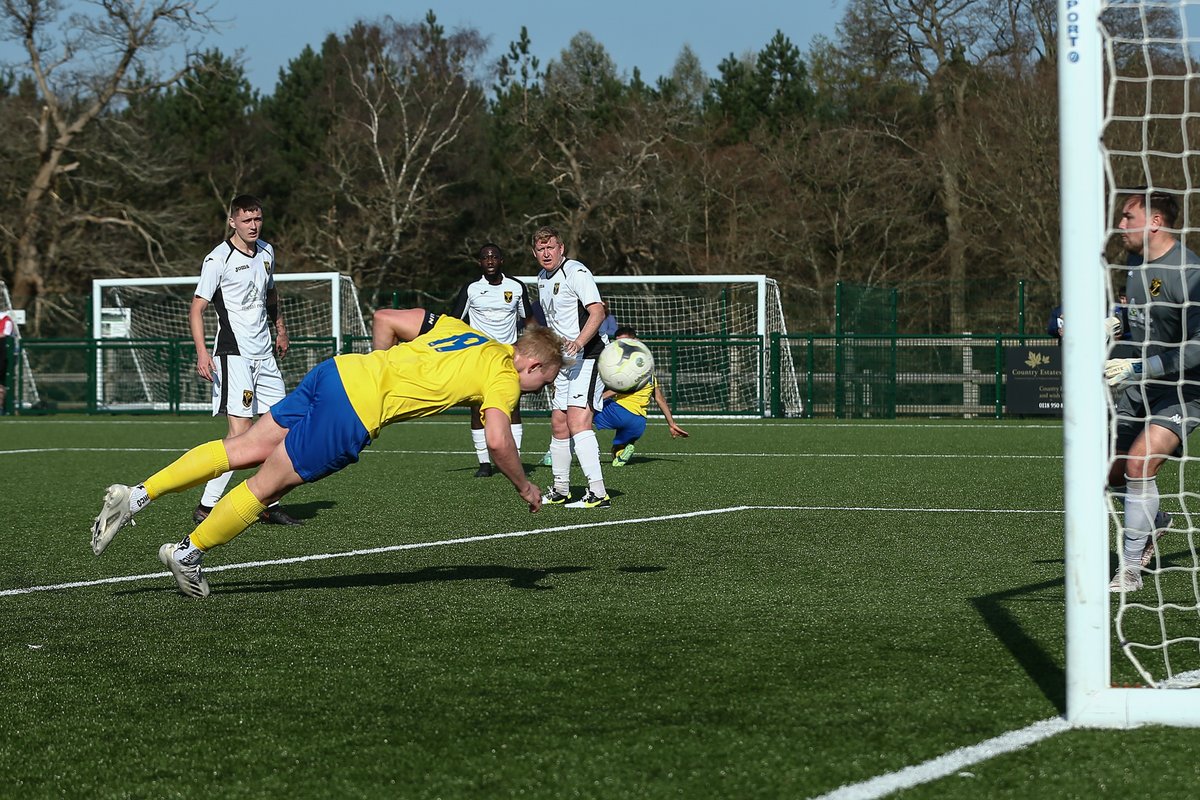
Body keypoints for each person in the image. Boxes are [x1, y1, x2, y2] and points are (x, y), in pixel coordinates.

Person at [90, 309, 564, 598]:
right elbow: (500, 441)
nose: (535, 390)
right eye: (540, 382)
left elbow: (387, 319)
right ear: (533, 362)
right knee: (266, 485)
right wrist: (524, 485)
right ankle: (188, 553)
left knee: (245, 447)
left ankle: (134, 497)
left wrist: (378, 371)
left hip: (337, 372)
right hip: (352, 412)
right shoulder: (503, 377)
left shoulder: (466, 331)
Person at [1104, 188, 1200, 592]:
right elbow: (1137, 316)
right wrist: (1113, 323)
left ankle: (1128, 570)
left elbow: (1198, 347)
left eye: (1128, 218)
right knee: (1111, 473)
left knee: (1140, 463)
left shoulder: (1191, 275)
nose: (1120, 226)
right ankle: (1155, 522)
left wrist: (1142, 366)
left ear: (1156, 222)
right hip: (1138, 387)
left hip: (1184, 390)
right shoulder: (1133, 262)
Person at [191, 194, 302, 527]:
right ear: (232, 222)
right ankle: (207, 507)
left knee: (282, 428)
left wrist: (280, 329)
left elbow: (271, 293)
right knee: (242, 438)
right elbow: (197, 308)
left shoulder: (268, 251)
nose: (253, 226)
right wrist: (201, 352)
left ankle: (268, 501)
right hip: (234, 355)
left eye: (257, 219)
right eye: (246, 220)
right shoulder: (218, 259)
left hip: (265, 355)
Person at [533, 225, 611, 508]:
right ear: (535, 253)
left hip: (588, 356)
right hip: (564, 362)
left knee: (578, 422)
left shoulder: (576, 272)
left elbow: (598, 311)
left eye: (550, 247)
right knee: (558, 423)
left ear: (561, 248)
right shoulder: (542, 278)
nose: (546, 253)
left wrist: (578, 343)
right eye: (541, 249)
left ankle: (598, 492)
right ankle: (561, 488)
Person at [448, 243, 533, 478]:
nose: (490, 261)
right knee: (477, 408)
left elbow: (529, 321)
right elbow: (455, 320)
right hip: (479, 357)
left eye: (494, 256)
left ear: (501, 260)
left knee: (513, 407)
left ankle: (514, 457)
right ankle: (484, 463)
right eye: (485, 257)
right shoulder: (471, 288)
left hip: (508, 357)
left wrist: (536, 347)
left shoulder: (515, 287)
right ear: (480, 262)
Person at [593, 326, 689, 466]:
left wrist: (595, 399)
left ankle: (562, 449)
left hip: (620, 412)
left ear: (635, 341)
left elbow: (615, 390)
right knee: (618, 448)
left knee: (580, 415)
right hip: (639, 422)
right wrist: (671, 424)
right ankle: (620, 455)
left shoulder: (627, 369)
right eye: (618, 341)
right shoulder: (649, 373)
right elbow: (660, 399)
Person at [0, 309, 12, 414]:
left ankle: (3, 407)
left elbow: (5, 334)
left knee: (2, 383)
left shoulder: (6, 320)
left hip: (2, 354)